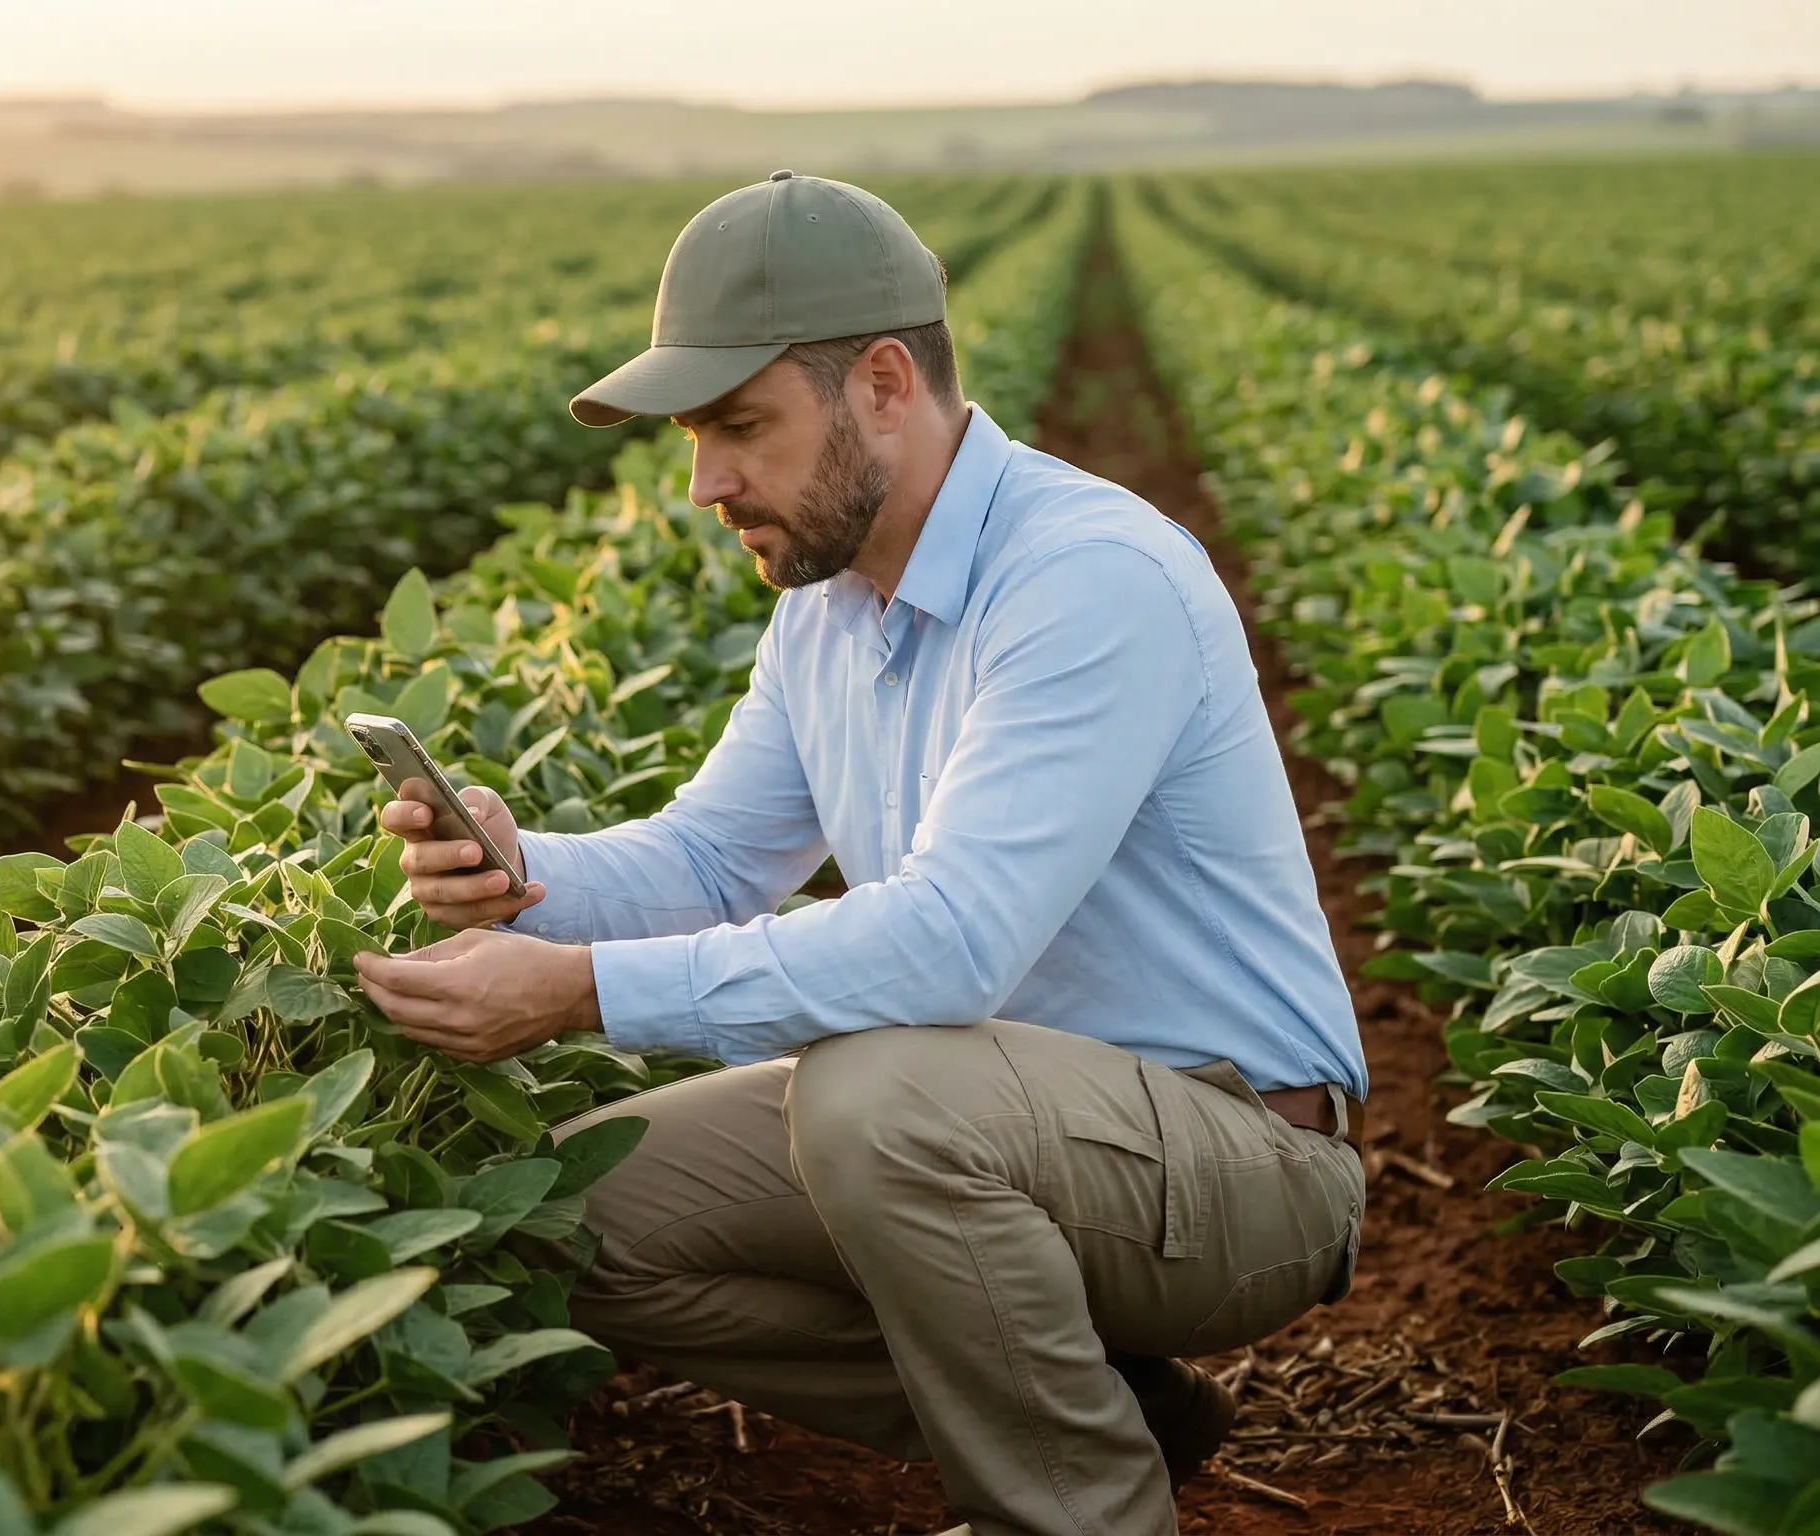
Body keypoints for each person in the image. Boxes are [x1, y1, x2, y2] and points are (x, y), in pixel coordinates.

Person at [349, 171, 1367, 1536]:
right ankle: (1101, 1416)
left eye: (738, 428)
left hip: (1236, 1161)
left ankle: (1077, 1511)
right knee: (566, 1215)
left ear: (885, 382)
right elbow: (712, 861)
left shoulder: (1086, 579)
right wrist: (524, 869)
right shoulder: (827, 606)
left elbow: (952, 945)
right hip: (987, 1129)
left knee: (872, 1094)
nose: (706, 483)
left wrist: (579, 991)